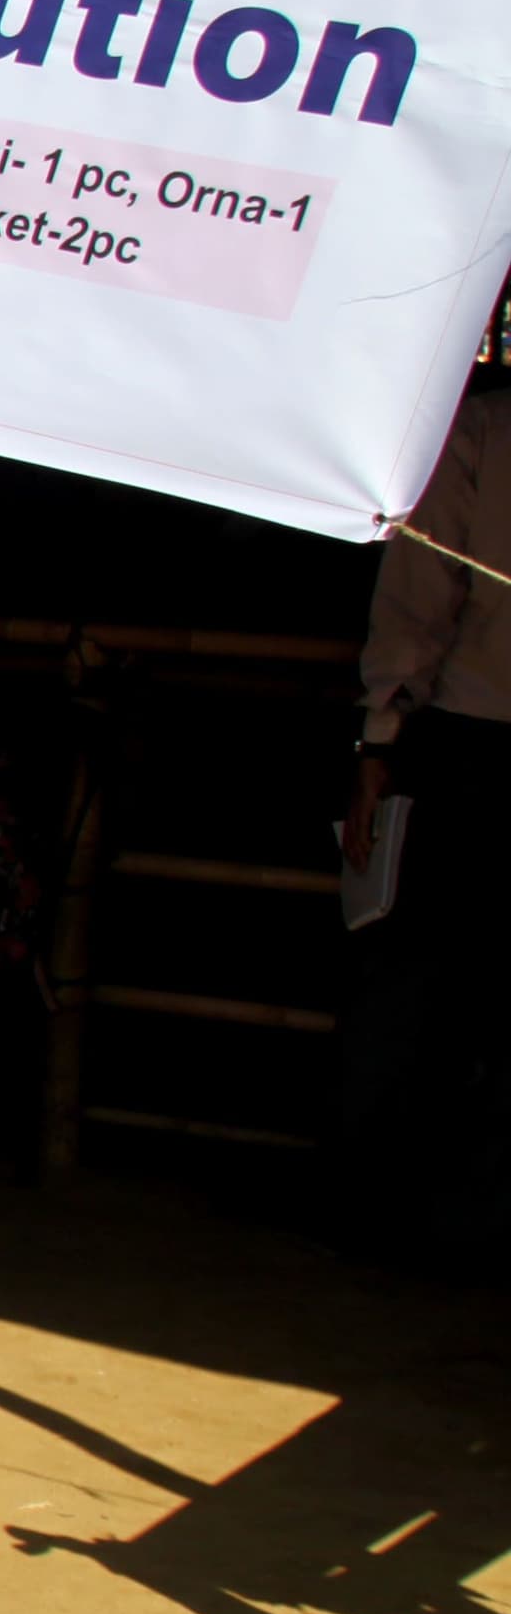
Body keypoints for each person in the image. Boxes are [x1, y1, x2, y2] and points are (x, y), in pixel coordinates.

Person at [337, 377, 511, 1276]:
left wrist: (380, 737)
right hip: (471, 741)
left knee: (421, 979)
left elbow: (420, 592)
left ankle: (390, 1215)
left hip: (472, 742)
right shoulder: (484, 422)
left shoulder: (483, 422)